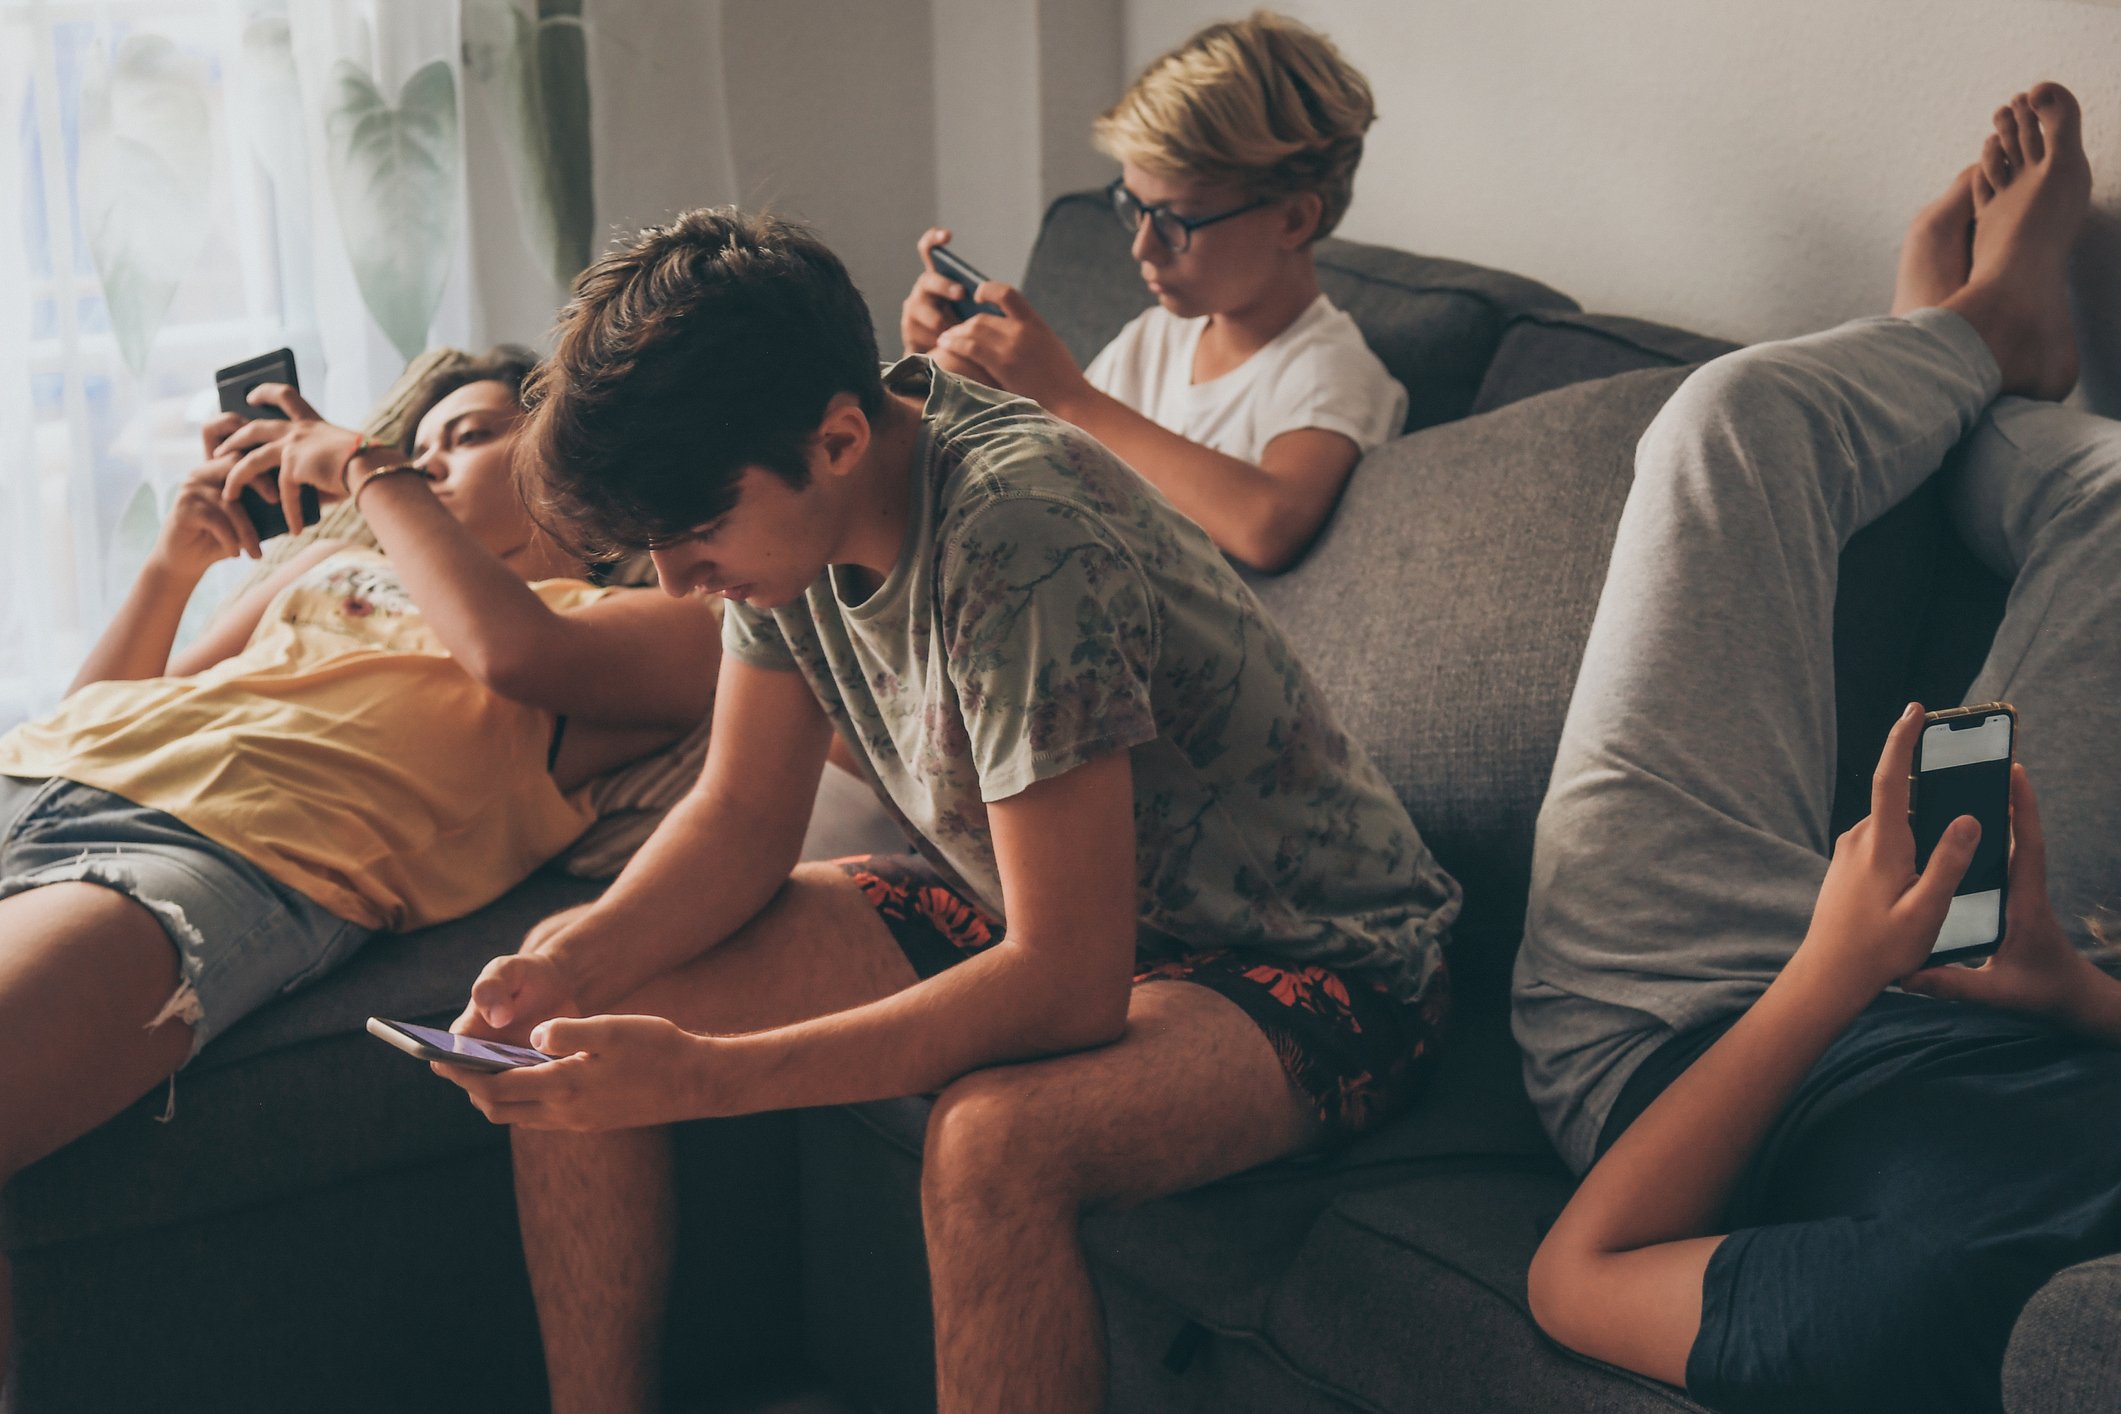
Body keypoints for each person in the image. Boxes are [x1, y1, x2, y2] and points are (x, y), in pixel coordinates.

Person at [437, 208, 1459, 1414]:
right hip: (1060, 909)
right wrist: (567, 960)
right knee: (570, 1022)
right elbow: (739, 819)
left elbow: (1066, 981)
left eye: (696, 532)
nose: (672, 580)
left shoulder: (1016, 537)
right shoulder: (786, 521)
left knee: (994, 1144)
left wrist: (706, 1076)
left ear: (834, 438)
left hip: (1319, 963)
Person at [1514, 84, 2119, 1413]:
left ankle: (1952, 339)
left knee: (1733, 428)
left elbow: (1578, 1274)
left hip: (1693, 1020)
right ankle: (1979, 366)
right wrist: (2068, 990)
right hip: (2004, 972)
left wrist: (1833, 968)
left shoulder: (1940, 1324)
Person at [0, 349, 720, 1367]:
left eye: (467, 436)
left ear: (568, 463)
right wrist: (171, 567)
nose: (426, 463)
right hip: (32, 777)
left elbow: (510, 652)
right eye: (415, 447)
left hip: (206, 849)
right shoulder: (330, 568)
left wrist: (368, 469)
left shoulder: (645, 624)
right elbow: (109, 712)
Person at [899, 11, 1404, 573]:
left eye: (1175, 220)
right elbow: (1053, 460)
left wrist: (1067, 396)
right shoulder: (1154, 340)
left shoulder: (1330, 370)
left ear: (1293, 220)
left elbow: (1268, 523)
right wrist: (955, 363)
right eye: (1135, 208)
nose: (1143, 249)